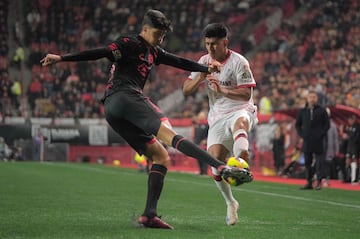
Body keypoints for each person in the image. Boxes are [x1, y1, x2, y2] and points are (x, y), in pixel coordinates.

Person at [41, 9, 252, 230]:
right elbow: (101, 52)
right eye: (157, 34)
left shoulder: (154, 51)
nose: (160, 39)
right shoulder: (130, 43)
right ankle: (220, 167)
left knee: (160, 156)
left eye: (162, 35)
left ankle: (149, 215)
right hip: (126, 97)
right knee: (170, 136)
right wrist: (62, 58)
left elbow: (178, 61)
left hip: (114, 110)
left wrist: (204, 68)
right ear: (144, 29)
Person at [183, 23, 258, 225]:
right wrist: (201, 75)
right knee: (215, 164)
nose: (210, 48)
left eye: (214, 44)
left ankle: (242, 158)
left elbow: (246, 94)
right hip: (217, 116)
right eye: (207, 44)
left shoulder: (239, 62)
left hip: (240, 109)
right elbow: (185, 90)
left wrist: (223, 91)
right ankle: (231, 202)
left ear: (225, 42)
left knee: (240, 124)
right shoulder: (204, 61)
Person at [295, 91, 330, 190]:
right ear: (307, 99)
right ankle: (309, 182)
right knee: (307, 162)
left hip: (318, 141)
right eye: (310, 97)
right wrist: (302, 135)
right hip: (307, 140)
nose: (312, 99)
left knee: (319, 162)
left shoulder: (322, 111)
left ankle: (318, 182)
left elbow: (327, 125)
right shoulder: (302, 111)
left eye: (314, 97)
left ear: (317, 99)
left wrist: (321, 134)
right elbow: (297, 125)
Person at [322, 108, 339, 187]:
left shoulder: (332, 126)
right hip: (321, 147)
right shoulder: (320, 124)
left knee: (327, 163)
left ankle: (327, 179)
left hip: (329, 147)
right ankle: (321, 178)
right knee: (321, 163)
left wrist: (336, 149)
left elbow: (336, 138)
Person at [342, 114, 360, 184]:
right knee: (347, 162)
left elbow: (357, 138)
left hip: (355, 147)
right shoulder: (350, 127)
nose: (349, 121)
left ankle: (355, 178)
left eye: (350, 120)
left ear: (354, 119)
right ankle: (347, 177)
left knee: (355, 162)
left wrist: (349, 137)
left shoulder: (358, 127)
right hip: (349, 147)